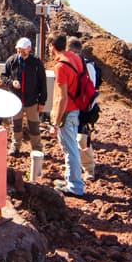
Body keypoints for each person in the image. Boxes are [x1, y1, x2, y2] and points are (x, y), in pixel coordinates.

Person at [50, 34, 85, 197]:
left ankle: (75, 187)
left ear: (51, 45)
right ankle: (70, 179)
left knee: (70, 149)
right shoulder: (75, 58)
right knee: (71, 147)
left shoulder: (60, 66)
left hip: (67, 112)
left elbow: (61, 97)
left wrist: (55, 123)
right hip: (75, 108)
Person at [1, 37, 45, 156]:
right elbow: (3, 76)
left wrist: (42, 101)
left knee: (34, 126)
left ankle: (37, 148)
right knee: (16, 125)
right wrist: (11, 83)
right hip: (16, 101)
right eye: (19, 49)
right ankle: (16, 147)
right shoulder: (12, 61)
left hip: (32, 101)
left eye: (23, 49)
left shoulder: (36, 62)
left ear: (29, 48)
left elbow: (43, 82)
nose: (20, 52)